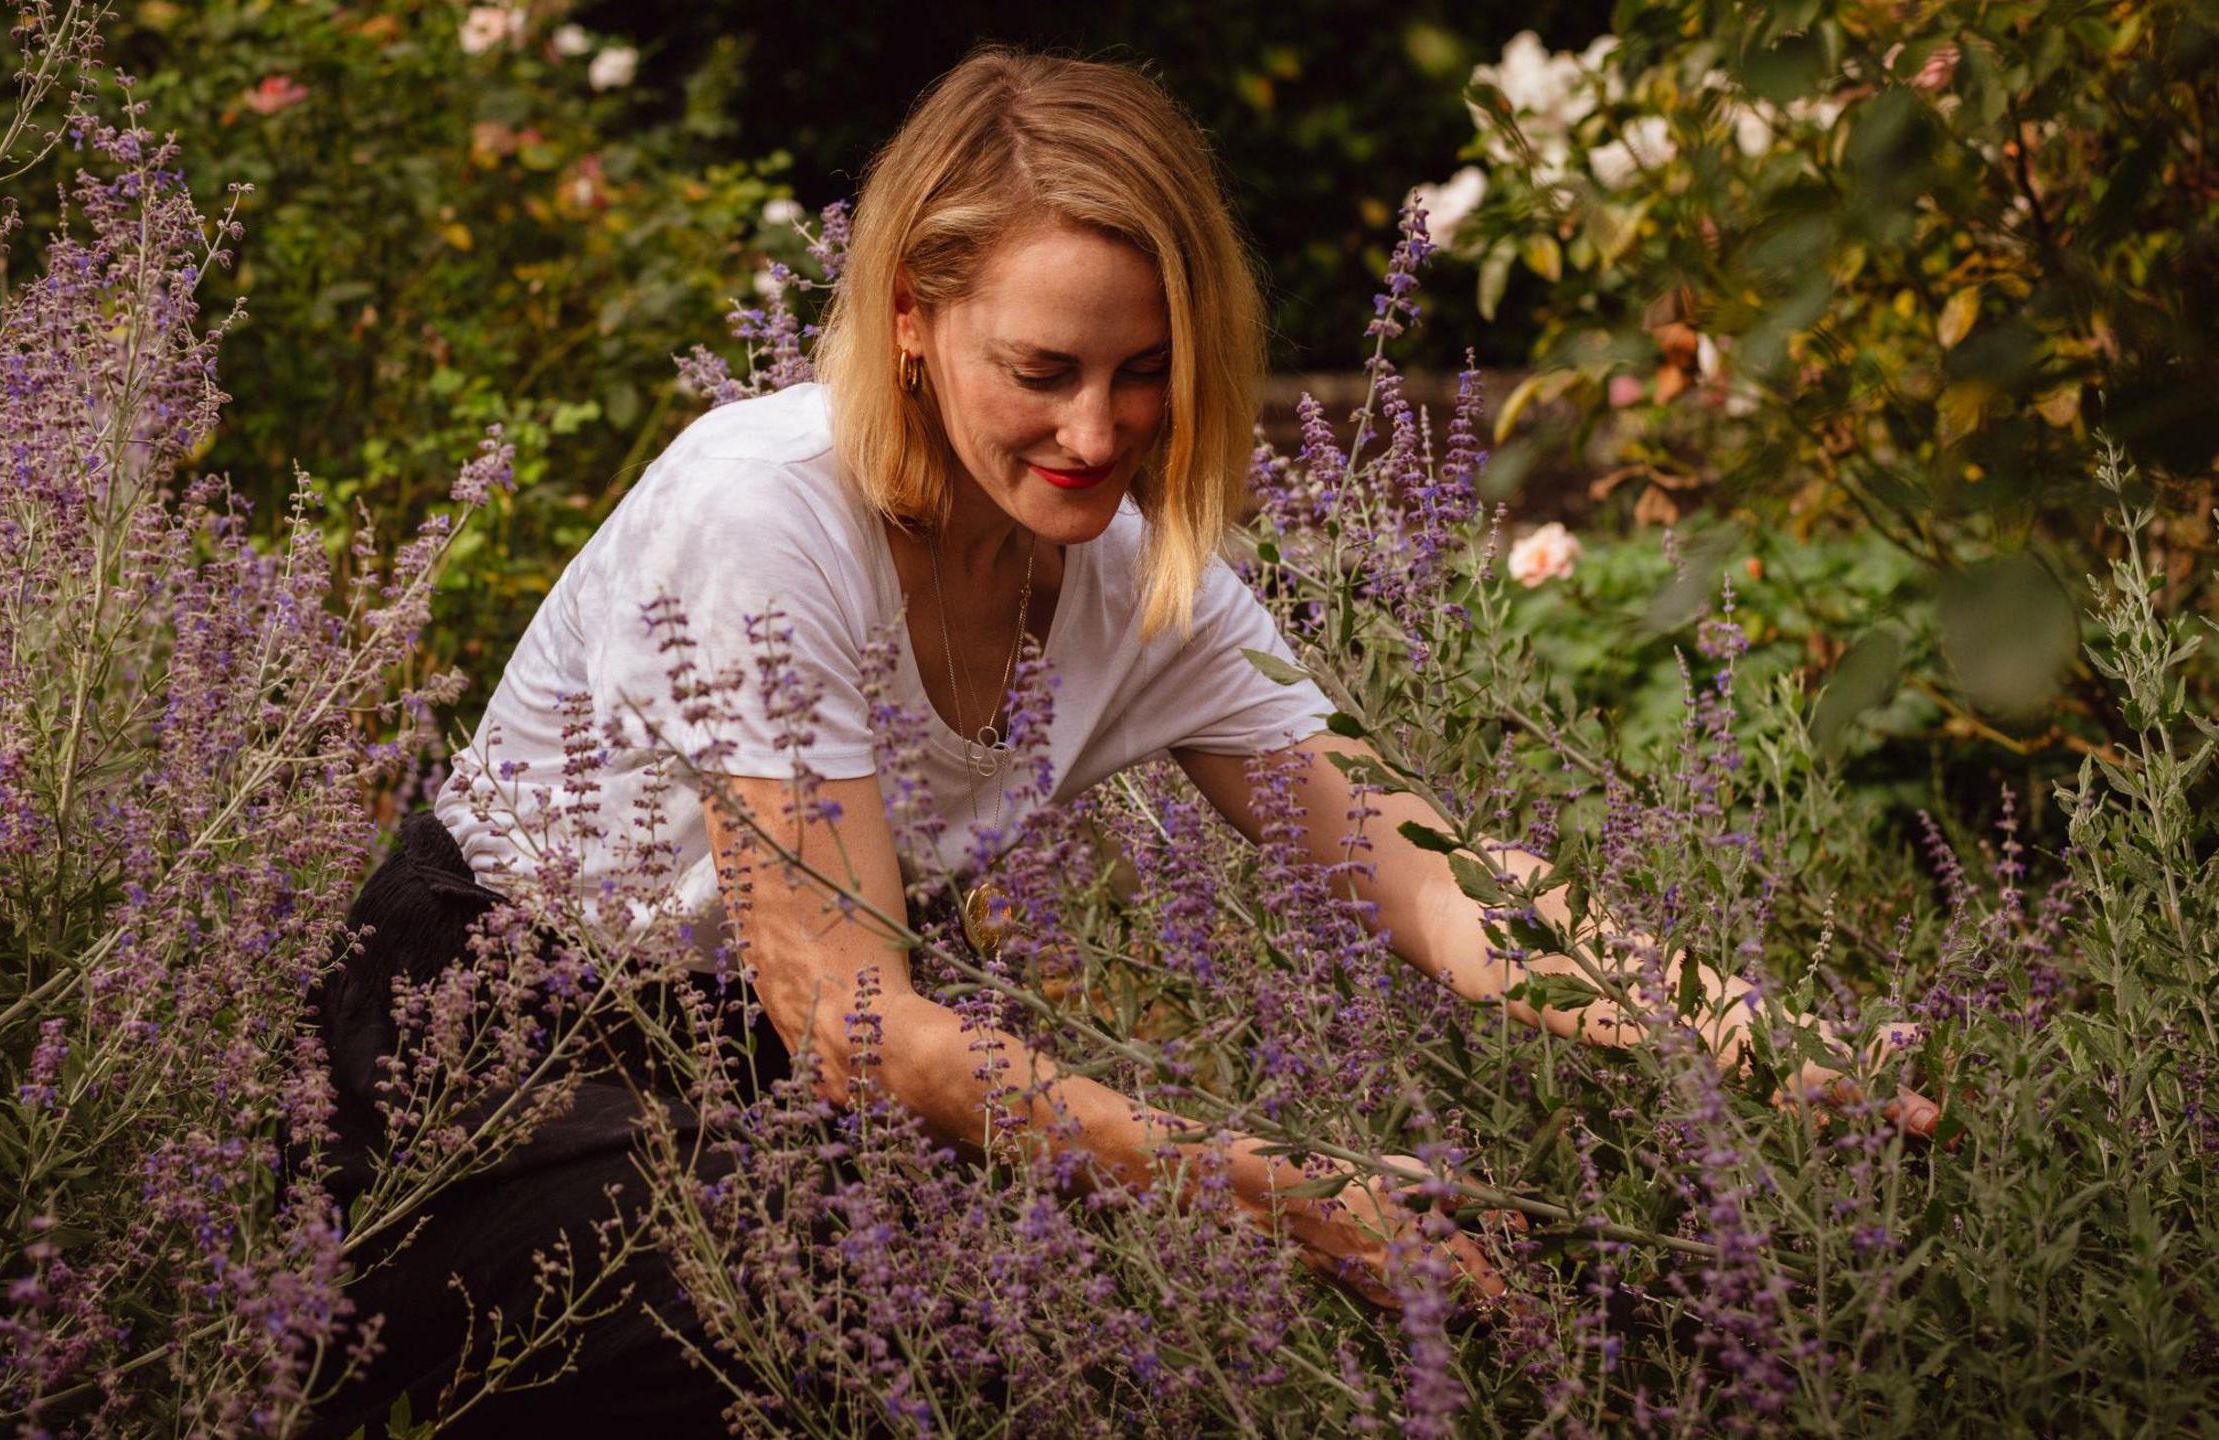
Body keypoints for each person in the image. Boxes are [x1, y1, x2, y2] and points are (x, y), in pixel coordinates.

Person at [306, 45, 1941, 1437]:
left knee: (1058, 1278)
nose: (1095, 436)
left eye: (1143, 375)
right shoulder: (765, 523)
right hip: (499, 1061)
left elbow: (1437, 888)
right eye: (1043, 371)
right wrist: (1289, 1190)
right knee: (949, 1288)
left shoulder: (1136, 575)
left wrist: (1744, 1029)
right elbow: (854, 1021)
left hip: (783, 1083)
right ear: (911, 322)